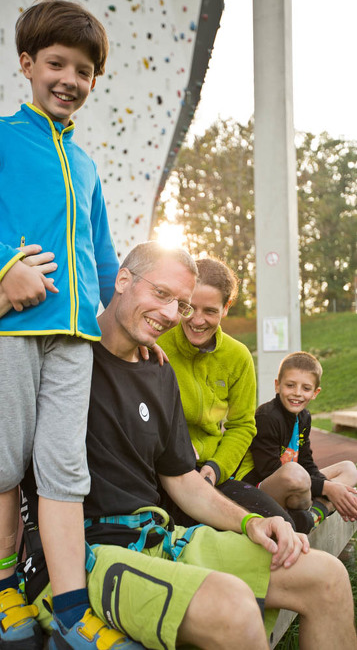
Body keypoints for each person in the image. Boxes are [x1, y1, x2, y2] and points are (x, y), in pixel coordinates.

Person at [19, 242, 357, 650]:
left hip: (159, 537)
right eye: (162, 294)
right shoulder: (60, 355)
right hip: (85, 553)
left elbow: (182, 479)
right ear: (122, 280)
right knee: (234, 609)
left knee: (326, 577)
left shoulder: (159, 372)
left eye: (180, 304)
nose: (170, 315)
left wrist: (250, 521)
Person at [0, 1, 137, 648]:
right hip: (11, 332)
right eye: (56, 63)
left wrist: (122, 333)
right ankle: (4, 593)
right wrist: (4, 271)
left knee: (62, 470)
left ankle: (71, 603)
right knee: (2, 470)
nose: (69, 79)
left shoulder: (85, 166)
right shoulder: (1, 138)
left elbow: (103, 256)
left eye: (84, 70)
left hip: (74, 341)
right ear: (27, 65)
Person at [158, 256, 295, 527]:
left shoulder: (238, 357)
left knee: (281, 525)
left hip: (211, 472)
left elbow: (242, 425)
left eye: (209, 311)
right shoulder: (156, 342)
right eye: (189, 308)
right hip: (165, 471)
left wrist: (214, 470)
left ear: (226, 307)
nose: (197, 320)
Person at [237, 351, 357, 532]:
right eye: (290, 385)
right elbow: (268, 471)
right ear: (278, 386)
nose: (297, 394)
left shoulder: (303, 417)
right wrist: (328, 488)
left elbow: (307, 462)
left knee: (348, 468)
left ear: (315, 392)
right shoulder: (267, 417)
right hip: (258, 489)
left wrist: (329, 486)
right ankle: (322, 506)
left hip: (296, 485)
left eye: (306, 388)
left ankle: (313, 513)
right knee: (294, 473)